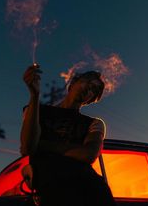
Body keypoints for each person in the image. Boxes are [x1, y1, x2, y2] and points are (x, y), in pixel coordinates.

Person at [20, 64, 116, 206]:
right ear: (73, 83)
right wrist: (34, 95)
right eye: (87, 81)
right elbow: (28, 147)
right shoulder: (36, 110)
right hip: (52, 185)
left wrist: (42, 145)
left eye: (93, 90)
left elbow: (89, 154)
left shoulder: (94, 123)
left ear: (90, 100)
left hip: (89, 186)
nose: (88, 89)